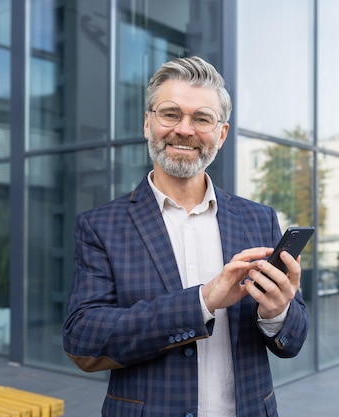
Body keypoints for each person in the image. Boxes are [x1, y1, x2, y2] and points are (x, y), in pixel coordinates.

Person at [63, 56, 309, 417]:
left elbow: (293, 341)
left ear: (221, 134)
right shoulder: (101, 225)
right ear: (148, 123)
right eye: (171, 114)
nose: (185, 129)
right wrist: (203, 301)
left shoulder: (258, 218)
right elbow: (83, 340)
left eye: (202, 118)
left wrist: (278, 311)